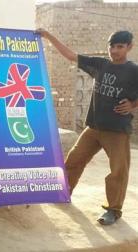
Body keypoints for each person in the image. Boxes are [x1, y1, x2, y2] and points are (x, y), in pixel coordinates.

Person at [38, 29, 138, 225]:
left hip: (117, 130)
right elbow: (70, 55)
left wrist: (133, 105)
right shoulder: (100, 64)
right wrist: (48, 35)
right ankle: (63, 192)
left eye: (119, 47)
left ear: (129, 47)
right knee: (74, 160)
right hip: (93, 127)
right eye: (112, 46)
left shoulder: (134, 70)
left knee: (118, 171)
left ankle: (113, 210)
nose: (114, 51)